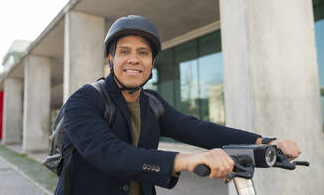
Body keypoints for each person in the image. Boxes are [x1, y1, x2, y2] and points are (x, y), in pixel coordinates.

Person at [55, 15, 301, 195]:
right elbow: (107, 152)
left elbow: (198, 129)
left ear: (151, 63)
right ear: (111, 59)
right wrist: (184, 160)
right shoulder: (84, 100)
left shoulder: (152, 104)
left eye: (143, 52)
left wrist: (264, 142)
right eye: (124, 51)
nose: (134, 59)